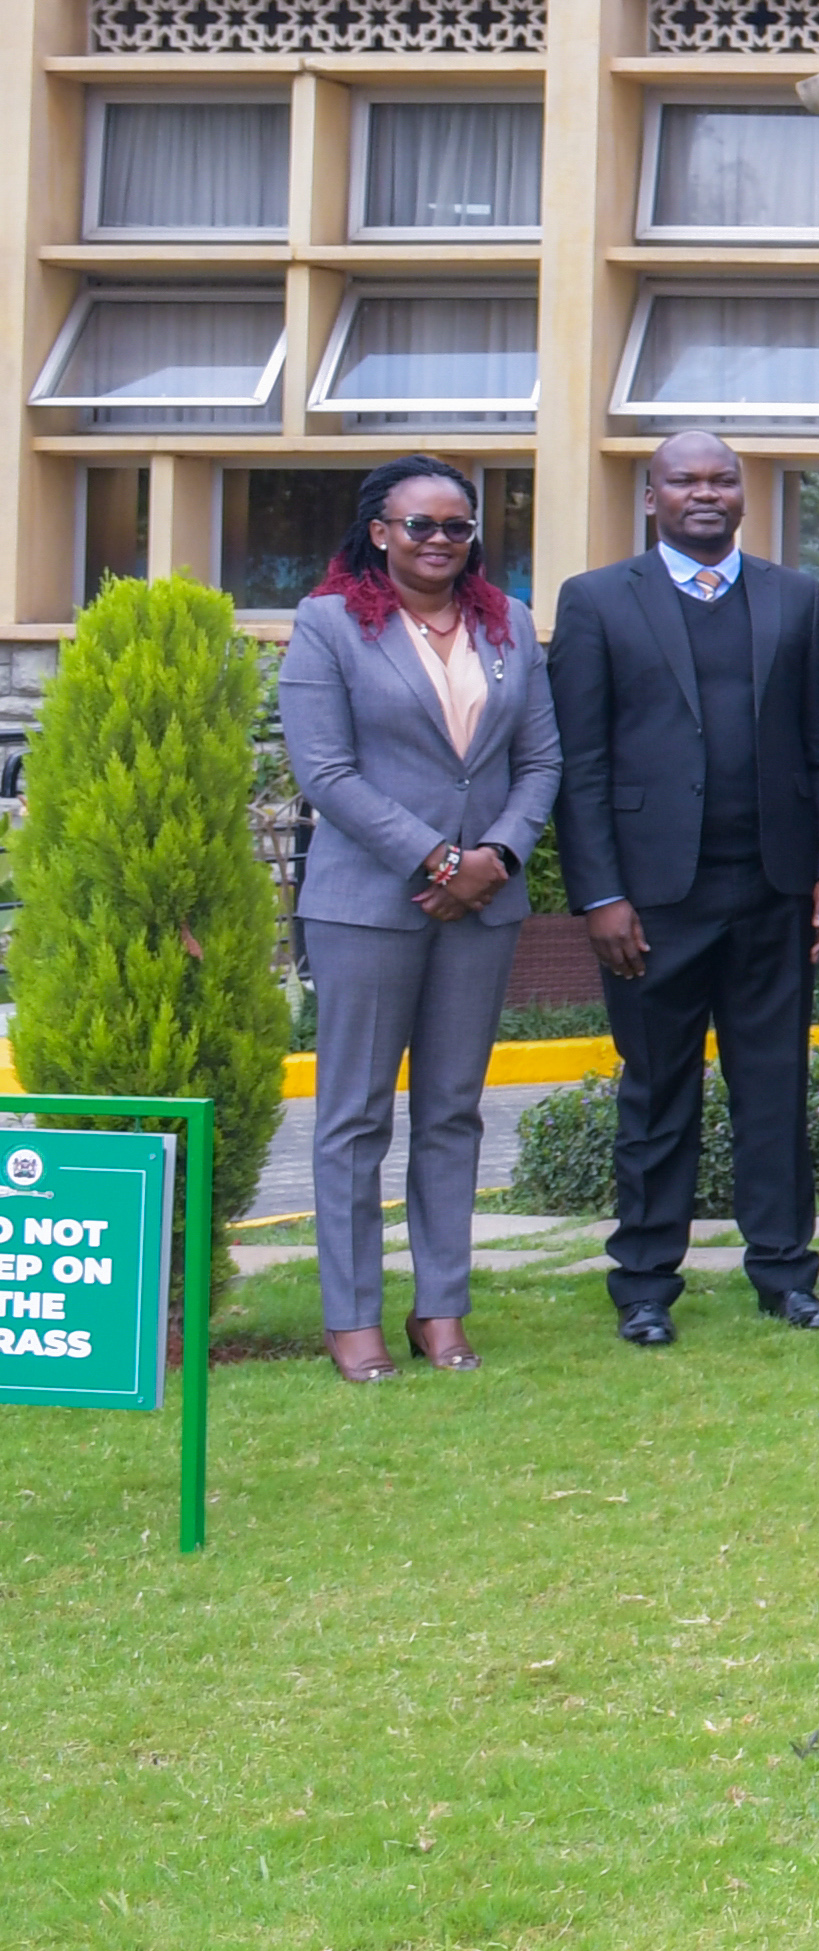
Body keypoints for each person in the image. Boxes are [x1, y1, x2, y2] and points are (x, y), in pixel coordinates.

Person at [549, 430, 819, 1346]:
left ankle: (784, 1275)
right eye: (685, 481)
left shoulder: (794, 597)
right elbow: (582, 765)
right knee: (656, 1091)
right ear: (652, 498)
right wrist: (599, 895)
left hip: (773, 890)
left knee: (775, 1090)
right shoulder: (598, 601)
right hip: (651, 901)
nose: (706, 494)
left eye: (723, 480)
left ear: (745, 497)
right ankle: (644, 1282)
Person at [274, 458, 558, 1382]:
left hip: (483, 905)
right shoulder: (329, 626)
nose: (440, 541)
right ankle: (350, 1316)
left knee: (451, 1113)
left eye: (457, 527)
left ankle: (441, 1310)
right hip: (368, 902)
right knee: (353, 1117)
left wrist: (493, 861)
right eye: (421, 526)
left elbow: (541, 760)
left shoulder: (507, 623)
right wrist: (437, 859)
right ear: (380, 532)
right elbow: (324, 770)